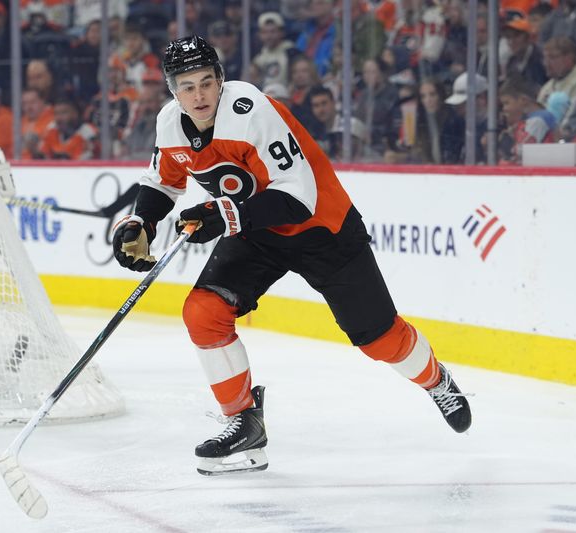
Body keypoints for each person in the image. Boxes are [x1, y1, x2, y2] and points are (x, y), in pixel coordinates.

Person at [111, 35, 472, 476]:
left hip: (323, 229)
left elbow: (297, 199)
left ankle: (437, 380)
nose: (199, 95)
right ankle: (244, 423)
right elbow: (162, 182)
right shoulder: (170, 123)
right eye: (187, 86)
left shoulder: (251, 112)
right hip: (256, 234)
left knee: (379, 339)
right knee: (203, 312)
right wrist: (140, 223)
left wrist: (221, 216)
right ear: (172, 90)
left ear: (221, 80)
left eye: (207, 82)